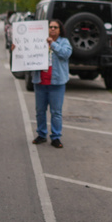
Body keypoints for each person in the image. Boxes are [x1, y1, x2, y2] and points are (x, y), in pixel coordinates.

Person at [31, 19, 72, 148]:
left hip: (57, 83)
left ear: (60, 30)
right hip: (40, 82)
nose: (52, 29)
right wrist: (16, 50)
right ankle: (41, 135)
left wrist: (52, 44)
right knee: (40, 111)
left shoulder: (64, 42)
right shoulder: (37, 40)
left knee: (56, 112)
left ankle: (56, 137)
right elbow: (26, 56)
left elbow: (66, 54)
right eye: (50, 27)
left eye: (55, 27)